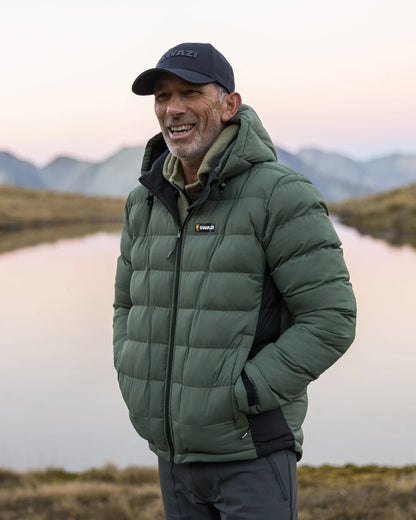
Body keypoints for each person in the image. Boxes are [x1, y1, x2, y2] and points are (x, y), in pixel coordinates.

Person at [113, 42, 356, 520]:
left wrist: (242, 394)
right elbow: (126, 307)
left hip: (252, 454)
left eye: (189, 92)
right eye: (162, 96)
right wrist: (131, 374)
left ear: (229, 104)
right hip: (173, 454)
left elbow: (331, 319)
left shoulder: (280, 194)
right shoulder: (142, 202)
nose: (173, 108)